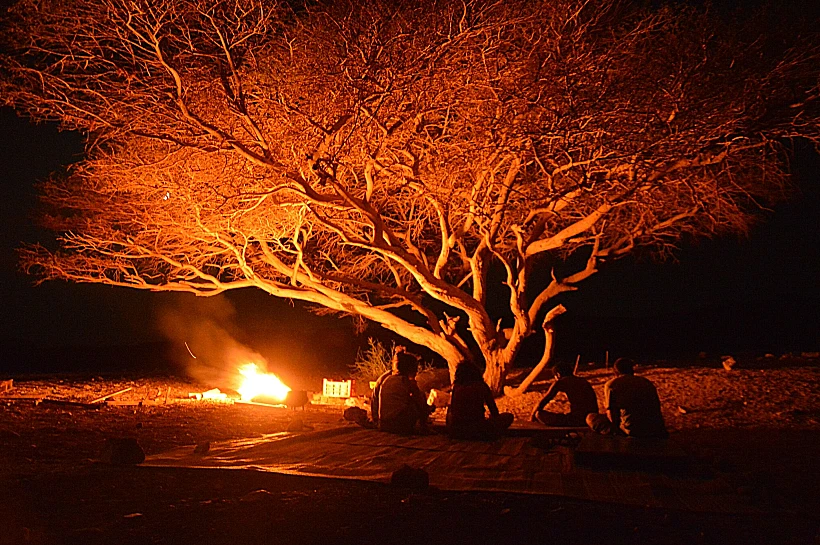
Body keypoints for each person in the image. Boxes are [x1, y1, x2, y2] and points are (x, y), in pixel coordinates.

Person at [586, 358, 668, 439]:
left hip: (632, 431)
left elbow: (612, 417)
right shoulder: (646, 382)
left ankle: (617, 437)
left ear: (615, 371)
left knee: (591, 418)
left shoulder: (612, 385)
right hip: (655, 428)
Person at [446, 363, 514, 440]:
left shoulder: (456, 387)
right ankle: (490, 435)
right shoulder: (481, 386)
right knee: (508, 417)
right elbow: (493, 410)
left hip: (457, 430)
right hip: (477, 428)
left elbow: (451, 408)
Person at [375, 348, 434, 435]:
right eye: (416, 368)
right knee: (419, 399)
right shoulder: (405, 381)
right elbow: (419, 399)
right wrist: (427, 408)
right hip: (398, 425)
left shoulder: (387, 379)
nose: (417, 371)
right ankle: (424, 427)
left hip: (384, 424)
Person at [530, 361, 599, 427]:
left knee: (539, 414)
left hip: (577, 420)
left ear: (558, 374)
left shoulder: (561, 382)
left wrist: (532, 416)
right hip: (592, 418)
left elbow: (543, 402)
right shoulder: (583, 381)